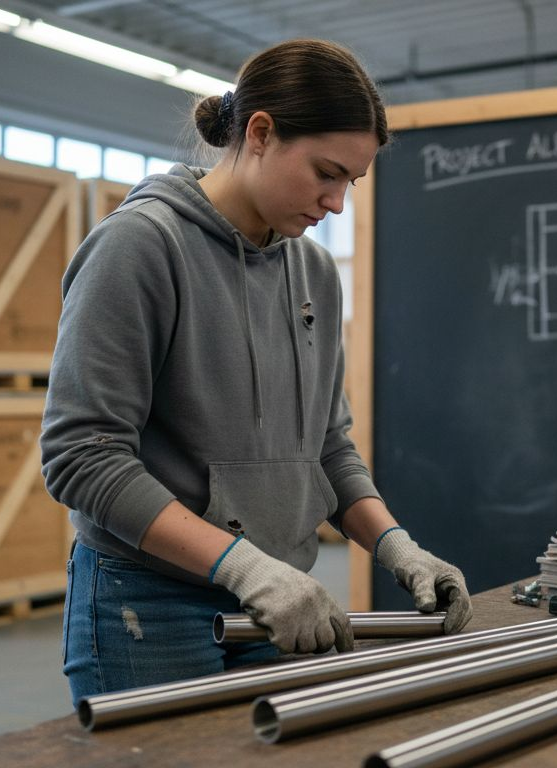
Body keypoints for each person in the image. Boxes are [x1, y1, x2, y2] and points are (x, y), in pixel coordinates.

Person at [40, 38, 473, 706]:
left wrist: (396, 546)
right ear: (261, 133)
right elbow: (82, 456)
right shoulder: (140, 247)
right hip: (149, 607)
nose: (337, 203)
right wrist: (241, 566)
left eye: (351, 183)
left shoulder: (315, 273)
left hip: (281, 601)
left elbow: (326, 446)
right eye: (326, 173)